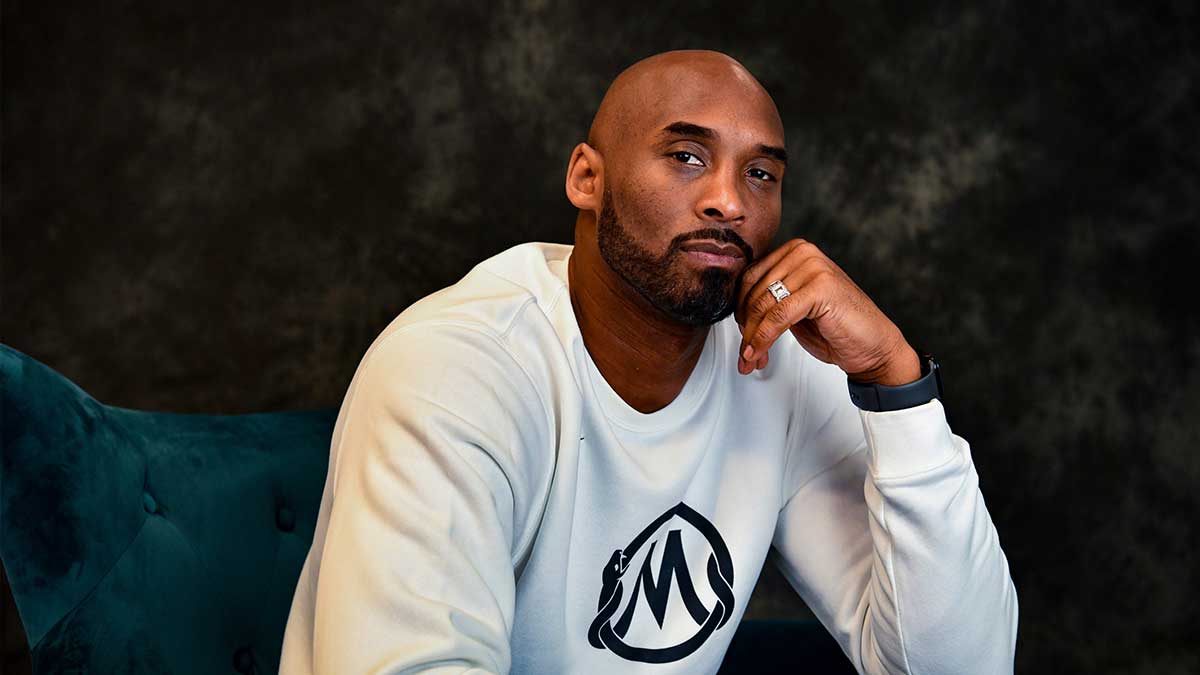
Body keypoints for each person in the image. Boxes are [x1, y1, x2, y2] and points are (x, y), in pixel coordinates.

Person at [279, 49, 1019, 674]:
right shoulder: (456, 369)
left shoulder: (778, 364)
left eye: (761, 174)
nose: (728, 201)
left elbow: (961, 665)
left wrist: (895, 379)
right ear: (587, 180)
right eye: (687, 156)